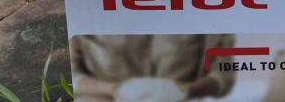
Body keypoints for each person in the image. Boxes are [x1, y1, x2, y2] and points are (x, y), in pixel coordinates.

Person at [71, 34, 237, 101]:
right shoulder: (87, 12)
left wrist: (185, 90)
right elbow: (72, 72)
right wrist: (115, 89)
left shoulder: (212, 24)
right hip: (104, 97)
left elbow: (223, 75)